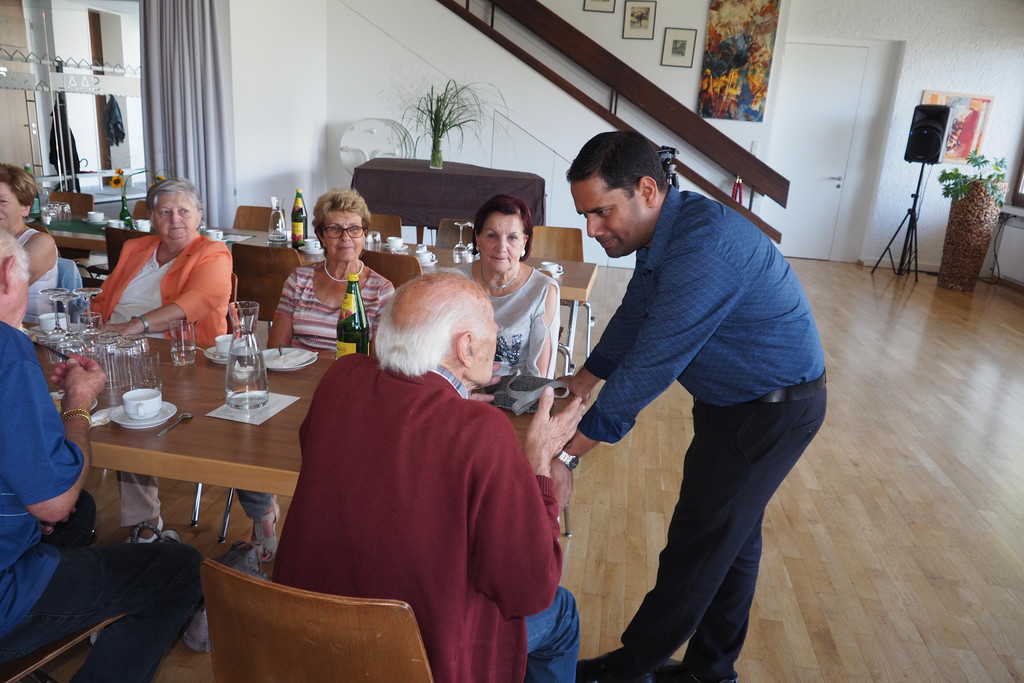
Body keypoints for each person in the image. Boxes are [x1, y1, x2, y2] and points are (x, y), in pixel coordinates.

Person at [564, 132, 827, 683]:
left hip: (769, 414)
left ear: (647, 190)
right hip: (733, 404)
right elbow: (636, 315)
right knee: (731, 541)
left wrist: (566, 455)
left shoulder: (703, 248)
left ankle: (630, 669)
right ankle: (711, 671)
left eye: (601, 212)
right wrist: (579, 384)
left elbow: (650, 365)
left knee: (698, 544)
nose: (592, 229)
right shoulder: (667, 232)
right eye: (585, 215)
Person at [274, 272, 586, 682]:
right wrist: (541, 464)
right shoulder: (482, 431)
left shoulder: (340, 377)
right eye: (491, 321)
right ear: (466, 347)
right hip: (416, 661)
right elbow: (530, 588)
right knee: (561, 611)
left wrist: (454, 401)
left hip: (305, 641)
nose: (497, 330)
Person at [0, 228, 203, 680]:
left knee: (84, 508)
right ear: (7, 273)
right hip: (4, 595)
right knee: (181, 569)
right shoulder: (6, 349)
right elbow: (54, 503)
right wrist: (78, 405)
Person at [92, 178, 279, 559]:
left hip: (187, 359)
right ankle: (146, 523)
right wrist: (92, 327)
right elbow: (104, 297)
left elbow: (198, 300)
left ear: (199, 215)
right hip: (120, 354)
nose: (174, 219)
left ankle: (262, 509)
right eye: (165, 211)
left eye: (183, 211)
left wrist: (135, 325)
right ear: (151, 217)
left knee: (234, 429)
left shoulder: (213, 252)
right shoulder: (135, 248)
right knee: (126, 421)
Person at [267, 188, 394, 353]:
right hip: (299, 369)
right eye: (335, 229)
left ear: (364, 234)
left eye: (354, 228)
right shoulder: (298, 280)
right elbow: (276, 348)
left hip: (351, 370)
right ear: (321, 236)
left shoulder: (381, 291)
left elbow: (378, 360)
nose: (346, 237)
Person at [464, 194, 560, 378]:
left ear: (525, 241)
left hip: (514, 391)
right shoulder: (456, 282)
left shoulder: (542, 290)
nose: (501, 246)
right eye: (492, 235)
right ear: (477, 237)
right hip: (461, 388)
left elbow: (539, 377)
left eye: (512, 237)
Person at [0, 163, 58, 323]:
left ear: (25, 208)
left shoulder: (41, 242)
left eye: (2, 201)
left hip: (31, 331)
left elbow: (5, 285)